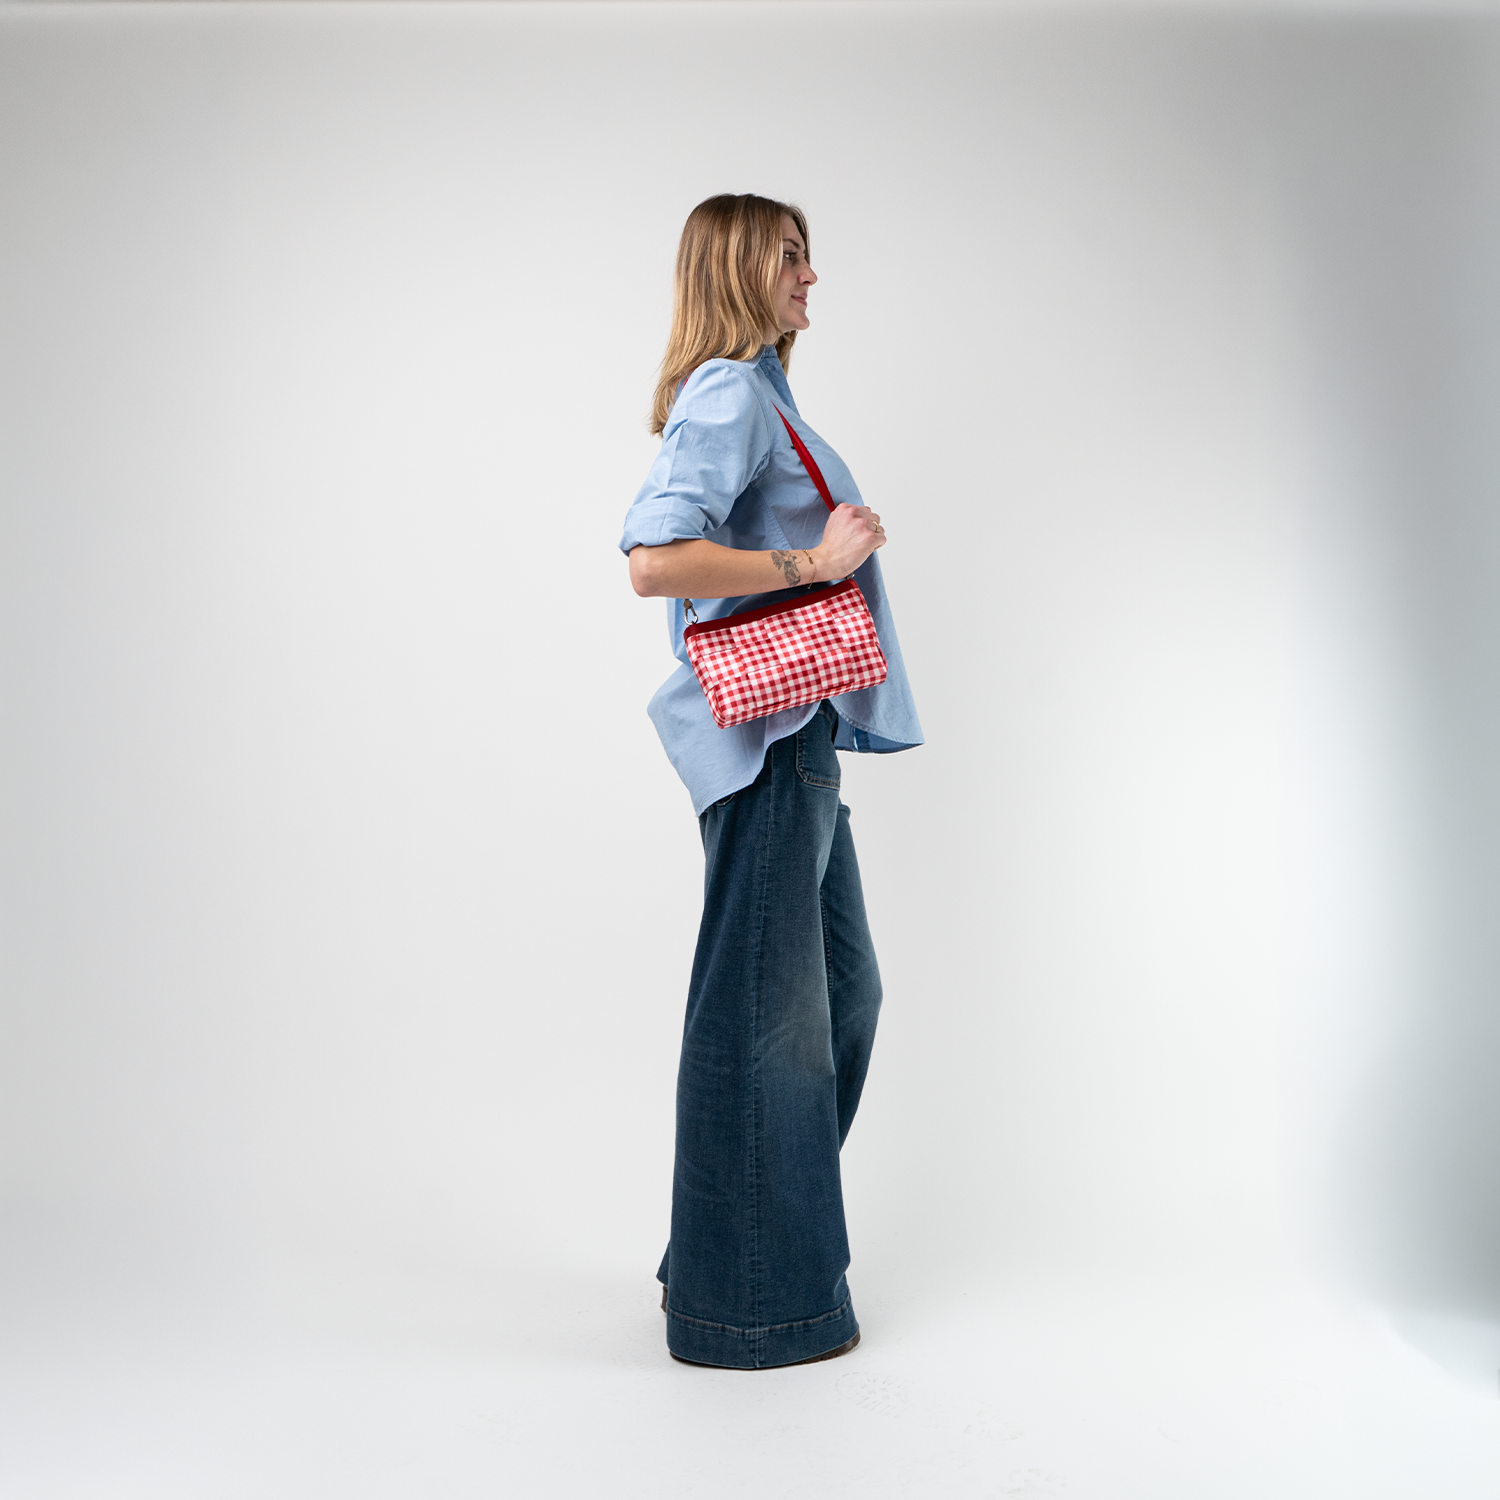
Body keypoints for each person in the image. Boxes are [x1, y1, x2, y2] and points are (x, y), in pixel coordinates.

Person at [620, 193, 923, 1369]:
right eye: (791, 256)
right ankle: (750, 1300)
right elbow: (654, 559)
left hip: (797, 739)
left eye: (810, 255)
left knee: (842, 999)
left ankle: (723, 1248)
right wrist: (816, 559)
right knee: (766, 1017)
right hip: (763, 740)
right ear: (741, 267)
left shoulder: (763, 391)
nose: (811, 276)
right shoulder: (730, 394)